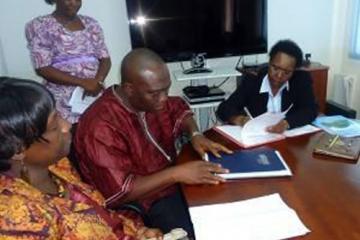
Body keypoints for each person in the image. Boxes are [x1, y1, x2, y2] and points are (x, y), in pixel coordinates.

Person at [74, 48, 232, 238]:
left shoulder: (148, 99)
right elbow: (122, 191)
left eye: (166, 89)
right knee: (206, 230)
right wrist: (177, 173)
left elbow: (179, 106)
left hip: (174, 184)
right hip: (146, 203)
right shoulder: (100, 126)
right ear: (129, 89)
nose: (164, 98)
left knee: (227, 203)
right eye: (156, 93)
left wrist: (196, 134)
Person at [0, 77, 163, 239]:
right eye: (55, 126)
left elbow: (102, 217)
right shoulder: (17, 221)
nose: (67, 126)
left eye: (58, 116)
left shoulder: (57, 164)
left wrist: (136, 232)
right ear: (18, 149)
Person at [25, 0, 111, 124]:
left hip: (93, 93)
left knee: (98, 133)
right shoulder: (39, 25)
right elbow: (42, 68)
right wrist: (83, 82)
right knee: (71, 137)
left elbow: (105, 59)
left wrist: (98, 81)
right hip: (63, 100)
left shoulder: (91, 24)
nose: (73, 3)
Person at [216, 39, 318, 133]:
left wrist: (286, 123)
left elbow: (310, 110)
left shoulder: (300, 80)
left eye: (286, 72)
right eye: (275, 68)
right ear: (269, 62)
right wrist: (240, 119)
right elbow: (224, 108)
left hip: (287, 139)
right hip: (259, 139)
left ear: (294, 71)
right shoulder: (252, 81)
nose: (279, 75)